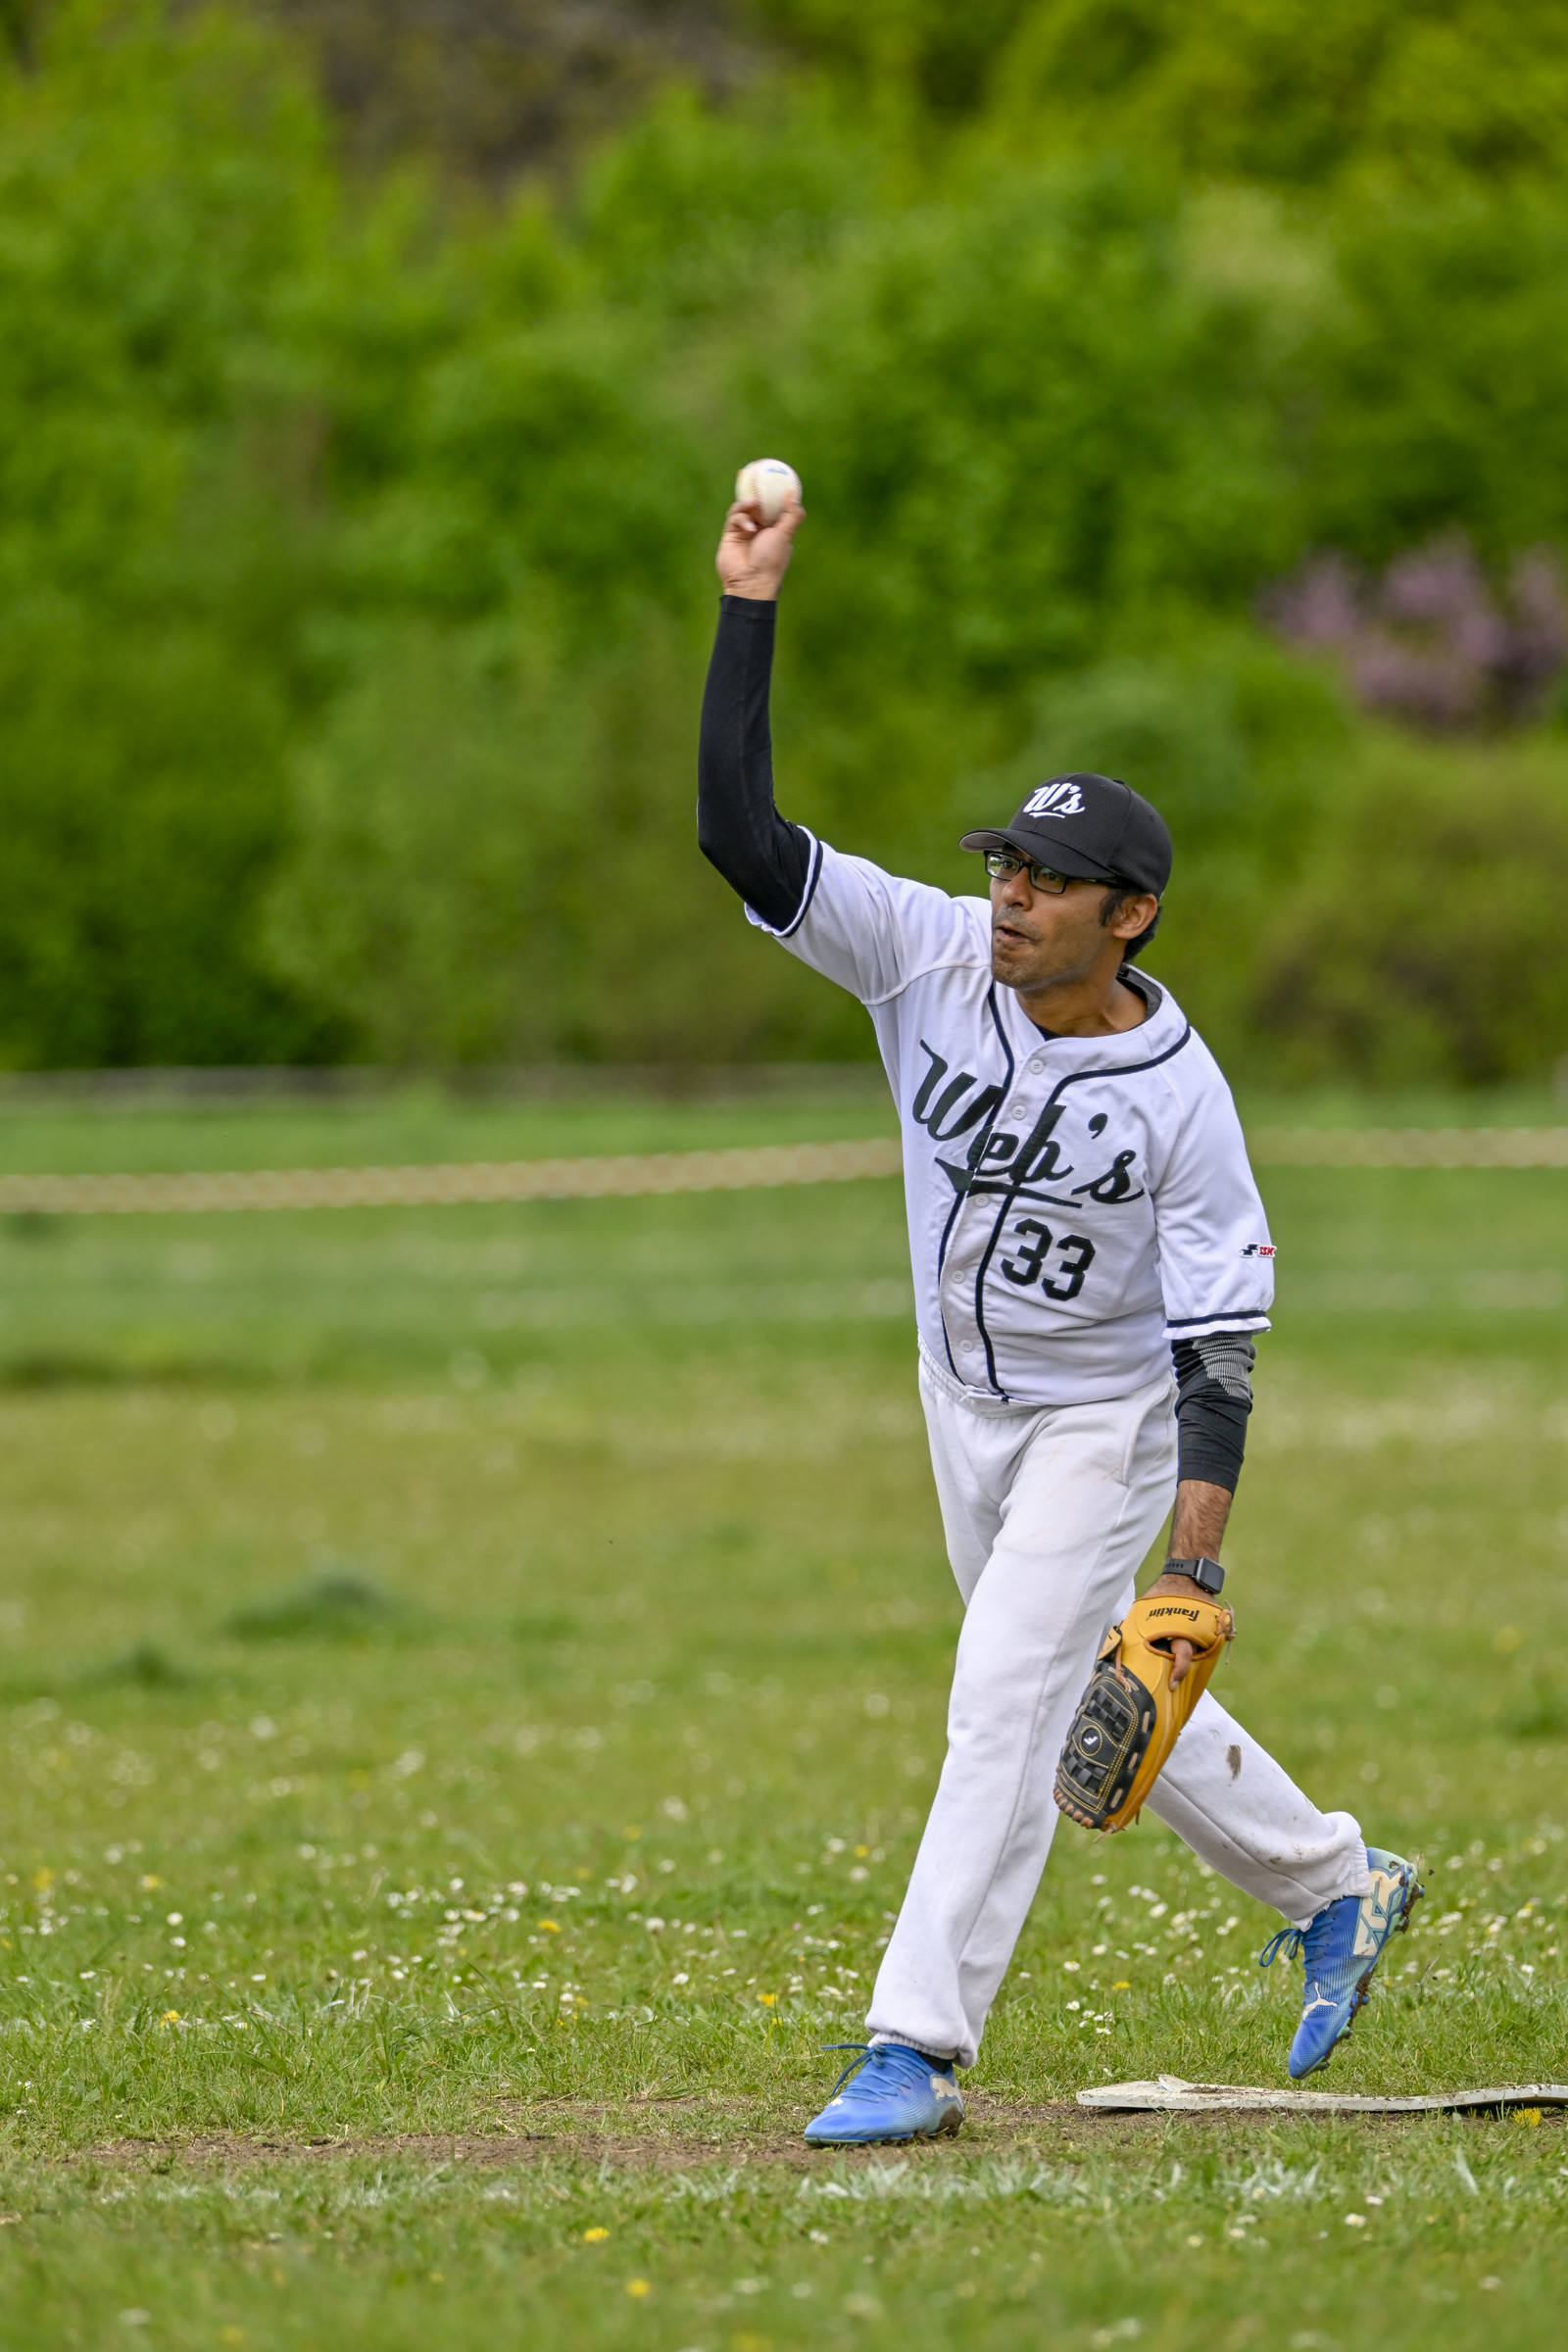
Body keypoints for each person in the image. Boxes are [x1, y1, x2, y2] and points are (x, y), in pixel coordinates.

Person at [697, 483, 1421, 2145]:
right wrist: (752, 605)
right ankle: (1333, 1880)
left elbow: (1219, 1342)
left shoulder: (1183, 1100)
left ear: (1132, 913)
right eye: (1009, 863)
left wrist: (1195, 1557)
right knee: (1080, 1690)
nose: (1012, 893)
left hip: (1107, 1422)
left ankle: (913, 2047)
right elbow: (744, 836)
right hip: (962, 1403)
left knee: (1004, 1704)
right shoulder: (925, 959)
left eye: (1052, 877)